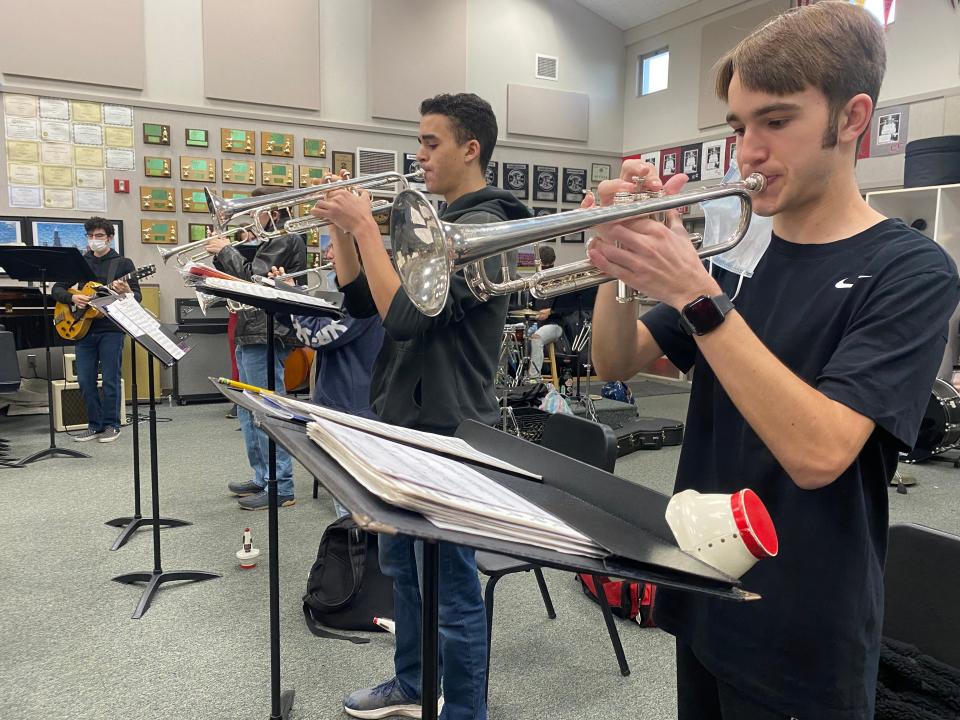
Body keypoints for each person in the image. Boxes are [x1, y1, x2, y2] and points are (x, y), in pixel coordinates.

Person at [588, 4, 960, 720]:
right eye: (738, 127)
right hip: (701, 587)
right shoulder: (733, 255)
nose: (746, 153)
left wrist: (697, 295)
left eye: (776, 122)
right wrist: (618, 263)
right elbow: (615, 357)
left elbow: (820, 453)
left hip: (803, 626)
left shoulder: (909, 270)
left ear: (852, 119)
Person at [312, 92, 531, 720]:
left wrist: (364, 227)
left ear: (471, 148)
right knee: (403, 571)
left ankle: (464, 711)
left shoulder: (487, 227)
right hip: (399, 419)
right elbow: (364, 304)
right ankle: (412, 683)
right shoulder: (435, 222)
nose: (419, 154)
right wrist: (342, 231)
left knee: (452, 587)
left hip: (448, 426)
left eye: (431, 142)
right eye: (419, 141)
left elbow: (404, 319)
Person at [207, 188, 307, 510]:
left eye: (256, 210)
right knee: (250, 411)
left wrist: (225, 250)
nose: (250, 216)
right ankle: (263, 477)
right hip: (251, 330)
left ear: (273, 213)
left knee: (267, 411)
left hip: (268, 332)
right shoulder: (267, 241)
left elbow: (254, 280)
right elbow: (235, 278)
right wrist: (219, 254)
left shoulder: (286, 239)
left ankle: (282, 484)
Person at [277, 239, 385, 518]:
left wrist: (292, 300)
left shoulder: (366, 296)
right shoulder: (352, 294)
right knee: (346, 499)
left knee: (352, 507)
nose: (326, 254)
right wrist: (281, 300)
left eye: (333, 246)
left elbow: (319, 337)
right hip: (343, 403)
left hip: (353, 409)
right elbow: (315, 325)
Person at [52, 217, 141, 443]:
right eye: (90, 236)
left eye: (99, 236)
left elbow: (136, 297)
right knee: (85, 379)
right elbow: (57, 289)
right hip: (83, 329)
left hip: (111, 329)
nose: (94, 240)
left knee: (111, 378)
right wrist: (74, 297)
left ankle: (111, 425)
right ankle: (94, 424)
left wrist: (127, 291)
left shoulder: (122, 264)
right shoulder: (80, 262)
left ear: (110, 238)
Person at [527, 246, 563, 382]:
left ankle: (534, 379)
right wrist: (533, 315)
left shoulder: (561, 280)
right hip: (537, 323)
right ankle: (518, 376)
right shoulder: (535, 281)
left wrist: (550, 312)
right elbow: (529, 307)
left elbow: (567, 308)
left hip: (555, 324)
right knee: (515, 337)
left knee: (536, 338)